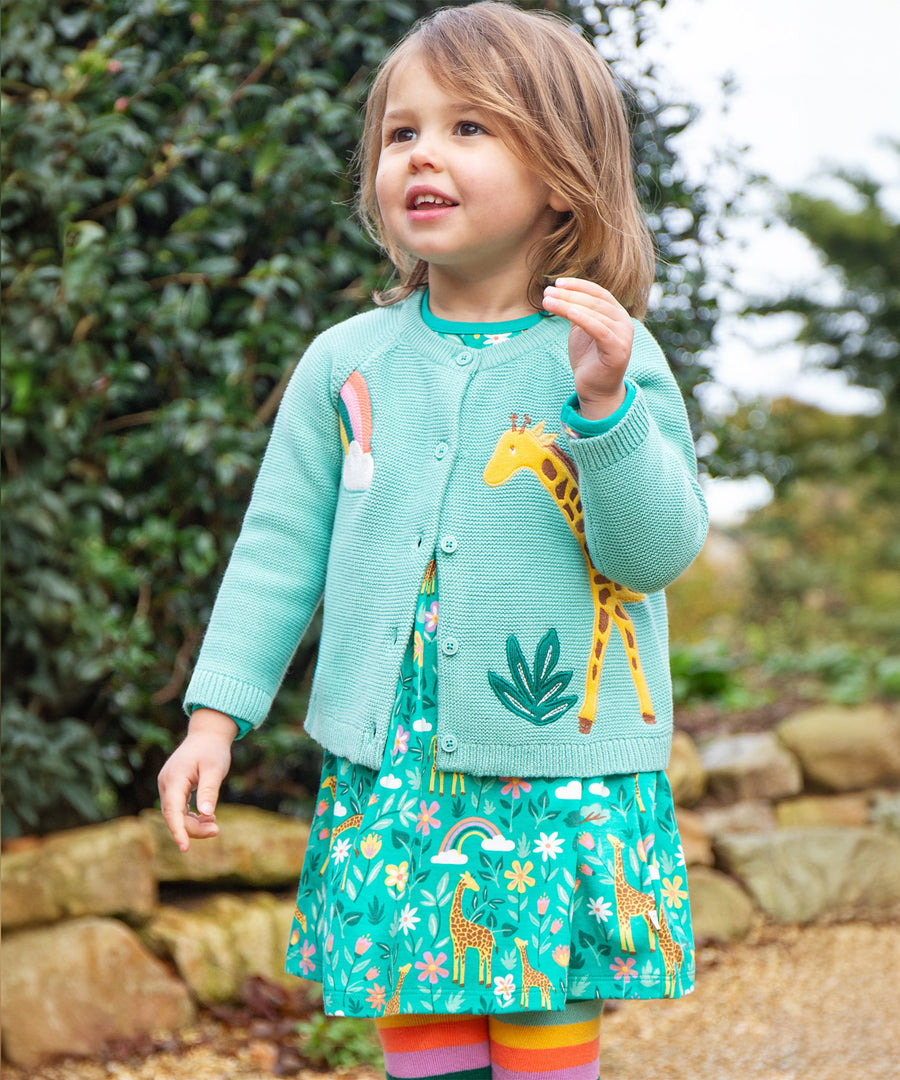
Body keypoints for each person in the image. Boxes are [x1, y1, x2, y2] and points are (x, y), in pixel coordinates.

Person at [158, 4, 708, 1077]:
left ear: (561, 176)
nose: (421, 153)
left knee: (543, 1024)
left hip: (555, 772)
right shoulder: (345, 362)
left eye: (469, 128)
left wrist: (605, 413)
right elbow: (278, 548)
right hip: (394, 764)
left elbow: (653, 556)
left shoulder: (609, 352)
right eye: (400, 131)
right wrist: (213, 719)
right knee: (423, 1021)